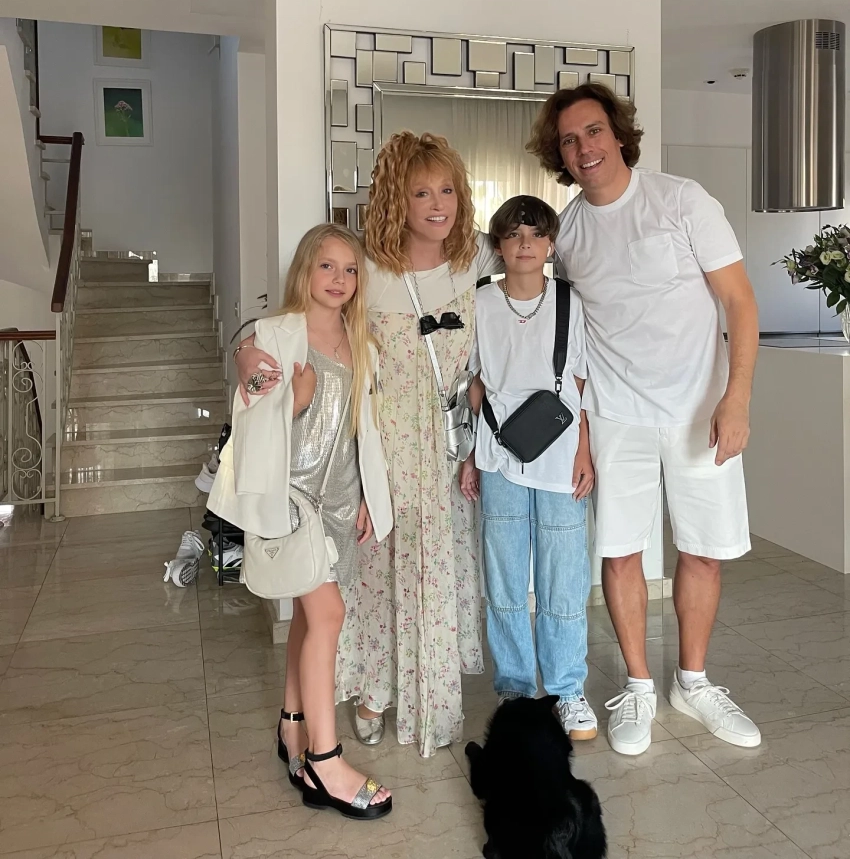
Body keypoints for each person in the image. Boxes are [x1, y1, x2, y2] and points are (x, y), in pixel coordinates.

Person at [234, 132, 501, 757]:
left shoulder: (477, 259)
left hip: (445, 450)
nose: (438, 205)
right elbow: (291, 322)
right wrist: (245, 353)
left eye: (447, 191)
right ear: (394, 200)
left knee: (436, 572)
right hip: (377, 447)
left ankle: (432, 697)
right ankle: (372, 691)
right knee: (373, 578)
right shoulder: (365, 270)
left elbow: (535, 259)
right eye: (420, 193)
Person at [527, 83, 761, 756]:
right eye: (569, 140)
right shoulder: (567, 231)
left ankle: (694, 682)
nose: (584, 148)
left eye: (593, 131)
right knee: (620, 550)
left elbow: (740, 303)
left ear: (618, 132)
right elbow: (540, 311)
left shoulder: (682, 201)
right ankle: (638, 685)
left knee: (703, 550)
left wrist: (737, 397)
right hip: (616, 413)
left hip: (698, 407)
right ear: (559, 155)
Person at [210, 224, 394, 818]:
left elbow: (363, 430)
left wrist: (367, 494)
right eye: (327, 266)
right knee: (329, 614)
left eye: (350, 269)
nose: (339, 279)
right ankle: (325, 760)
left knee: (310, 616)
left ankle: (291, 722)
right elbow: (252, 421)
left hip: (340, 499)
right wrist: (297, 399)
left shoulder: (360, 341)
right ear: (305, 271)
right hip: (293, 501)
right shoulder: (272, 335)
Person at [459, 195, 598, 740]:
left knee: (565, 575)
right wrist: (473, 455)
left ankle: (566, 689)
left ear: (550, 244)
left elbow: (580, 382)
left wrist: (584, 450)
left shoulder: (569, 301)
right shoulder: (480, 303)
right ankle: (514, 689)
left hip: (560, 454)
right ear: (498, 244)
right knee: (505, 577)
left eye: (536, 234)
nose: (525, 244)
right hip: (498, 454)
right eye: (514, 234)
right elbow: (472, 383)